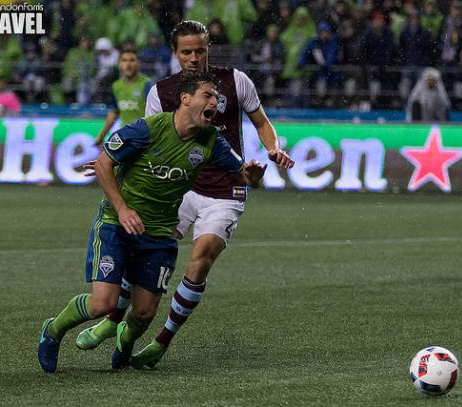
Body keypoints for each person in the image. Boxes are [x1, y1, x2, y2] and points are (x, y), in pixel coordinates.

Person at [75, 20, 294, 369]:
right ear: (174, 53)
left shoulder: (236, 81)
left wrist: (272, 149)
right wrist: (114, 160)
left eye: (200, 50)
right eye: (186, 52)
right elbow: (148, 140)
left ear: (209, 48)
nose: (194, 58)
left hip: (226, 187)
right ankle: (113, 320)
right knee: (141, 249)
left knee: (200, 258)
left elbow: (261, 122)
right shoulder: (161, 92)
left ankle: (163, 340)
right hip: (179, 186)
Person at [37, 71, 267, 373]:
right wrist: (122, 209)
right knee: (102, 305)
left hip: (158, 235)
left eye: (217, 98)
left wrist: (254, 175)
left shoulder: (211, 141)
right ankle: (52, 330)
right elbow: (105, 162)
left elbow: (244, 177)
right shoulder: (148, 129)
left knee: (144, 313)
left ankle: (125, 343)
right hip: (116, 225)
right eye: (208, 95)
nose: (216, 102)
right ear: (185, 98)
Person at [95, 48, 153, 146]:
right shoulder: (116, 86)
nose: (128, 65)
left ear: (139, 63)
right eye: (124, 60)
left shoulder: (147, 85)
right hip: (124, 136)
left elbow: (155, 114)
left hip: (144, 138)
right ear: (119, 64)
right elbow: (114, 111)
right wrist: (101, 136)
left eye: (132, 60)